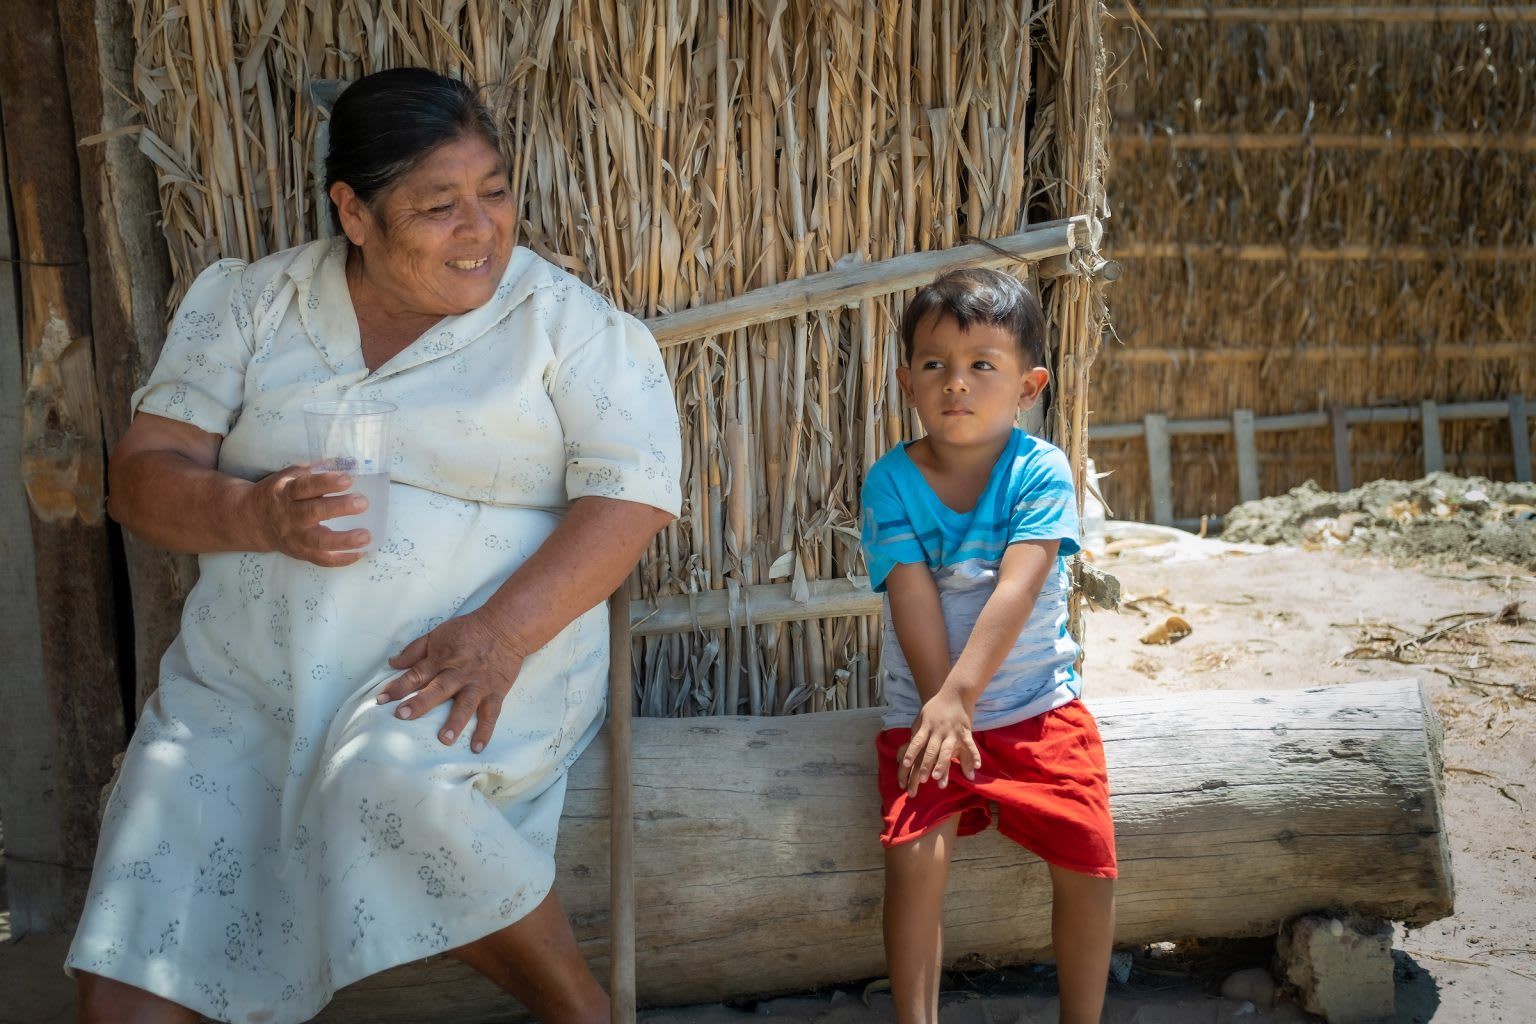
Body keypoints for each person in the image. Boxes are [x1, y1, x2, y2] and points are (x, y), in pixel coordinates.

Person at [66, 67, 682, 1024]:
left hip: (465, 666)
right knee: (127, 981)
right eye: (439, 206)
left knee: (382, 777)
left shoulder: (563, 323)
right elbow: (143, 475)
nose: (481, 228)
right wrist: (255, 516)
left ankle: (578, 1011)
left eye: (495, 192)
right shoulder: (252, 302)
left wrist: (500, 636)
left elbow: (631, 498)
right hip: (249, 681)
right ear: (352, 212)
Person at [859, 269, 1117, 1024]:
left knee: (1089, 853)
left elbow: (1020, 587)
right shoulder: (890, 483)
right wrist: (944, 709)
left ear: (1029, 385)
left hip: (1035, 706)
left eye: (983, 366)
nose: (956, 384)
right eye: (935, 364)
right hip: (926, 710)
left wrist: (964, 700)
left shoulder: (1040, 470)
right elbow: (911, 595)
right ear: (908, 381)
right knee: (911, 858)